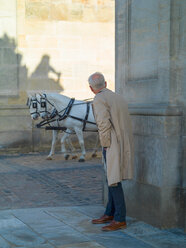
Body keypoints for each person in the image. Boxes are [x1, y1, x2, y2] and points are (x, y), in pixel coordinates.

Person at [88, 72, 134, 231]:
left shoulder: (99, 98)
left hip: (112, 142)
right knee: (112, 178)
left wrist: (105, 144)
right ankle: (110, 212)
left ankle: (120, 218)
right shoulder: (118, 97)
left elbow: (103, 123)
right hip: (123, 141)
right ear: (105, 83)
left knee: (113, 180)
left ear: (91, 88)